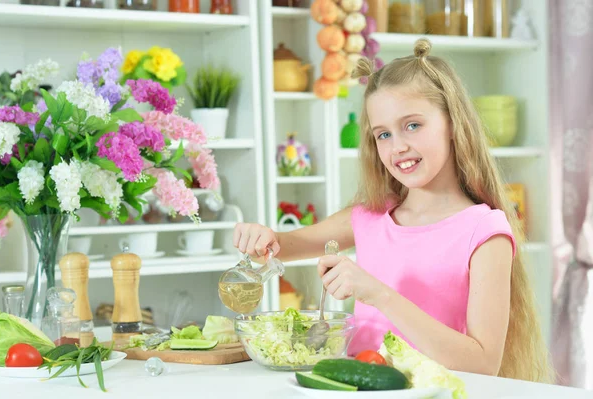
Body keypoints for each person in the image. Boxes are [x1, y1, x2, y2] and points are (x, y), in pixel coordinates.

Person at [232, 39, 553, 383]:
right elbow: (285, 245)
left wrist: (378, 294)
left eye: (413, 125)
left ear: (452, 123)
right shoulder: (371, 215)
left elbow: (482, 363)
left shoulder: (485, 232)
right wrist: (265, 238)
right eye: (382, 134)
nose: (398, 146)